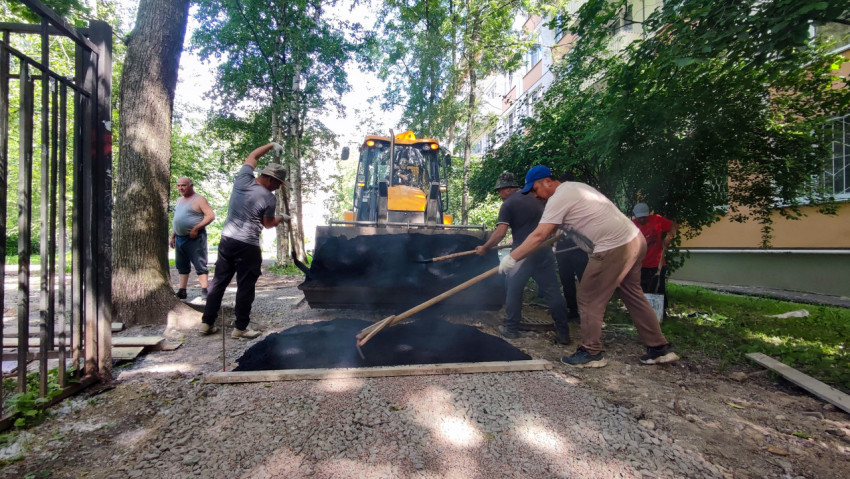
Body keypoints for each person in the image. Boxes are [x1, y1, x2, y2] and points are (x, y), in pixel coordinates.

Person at [499, 165, 679, 367]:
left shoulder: (558, 198)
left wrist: (512, 257)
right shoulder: (575, 188)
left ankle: (591, 352)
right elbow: (564, 228)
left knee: (588, 297)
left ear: (546, 181)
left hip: (613, 245)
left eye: (534, 190)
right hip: (634, 240)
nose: (535, 196)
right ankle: (658, 348)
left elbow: (539, 234)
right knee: (633, 293)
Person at [199, 142, 290, 339]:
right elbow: (267, 224)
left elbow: (252, 155)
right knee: (246, 286)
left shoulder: (242, 180)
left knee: (219, 282)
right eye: (277, 184)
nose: (276, 188)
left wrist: (271, 145)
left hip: (227, 239)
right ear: (271, 180)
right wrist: (282, 218)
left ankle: (207, 323)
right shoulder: (269, 198)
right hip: (247, 245)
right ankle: (240, 328)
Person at [475, 171, 571, 344]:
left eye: (499, 190)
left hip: (521, 254)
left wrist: (485, 247)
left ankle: (511, 329)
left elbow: (500, 233)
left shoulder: (509, 204)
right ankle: (563, 333)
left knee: (513, 289)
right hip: (543, 250)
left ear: (506, 189)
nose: (499, 194)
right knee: (553, 291)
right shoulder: (541, 198)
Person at [170, 177, 215, 300]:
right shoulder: (179, 200)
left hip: (195, 237)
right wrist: (173, 235)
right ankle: (182, 290)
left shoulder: (199, 199)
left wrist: (196, 228)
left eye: (183, 185)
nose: (181, 188)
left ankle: (205, 290)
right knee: (181, 265)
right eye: (178, 186)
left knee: (200, 264)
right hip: (180, 238)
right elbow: (177, 219)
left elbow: (210, 216)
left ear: (191, 185)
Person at [554, 173, 588, 321]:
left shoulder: (580, 200)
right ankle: (572, 310)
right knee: (566, 279)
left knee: (585, 280)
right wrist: (555, 239)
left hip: (578, 246)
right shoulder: (558, 199)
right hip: (562, 247)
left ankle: (589, 313)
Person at [632, 202, 678, 304]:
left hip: (657, 264)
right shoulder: (631, 225)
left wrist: (668, 237)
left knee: (659, 289)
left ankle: (660, 312)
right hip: (640, 265)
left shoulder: (657, 220)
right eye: (640, 218)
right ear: (635, 216)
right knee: (642, 291)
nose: (643, 220)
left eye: (645, 217)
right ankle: (643, 313)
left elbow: (674, 226)